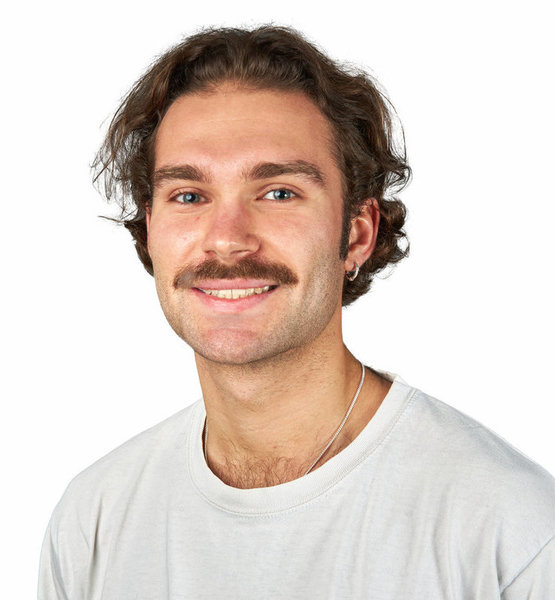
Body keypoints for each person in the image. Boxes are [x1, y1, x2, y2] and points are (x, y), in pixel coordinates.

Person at [38, 25, 555, 599]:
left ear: (357, 234)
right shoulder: (92, 523)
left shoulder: (513, 534)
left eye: (278, 192)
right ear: (150, 232)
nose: (227, 239)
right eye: (189, 195)